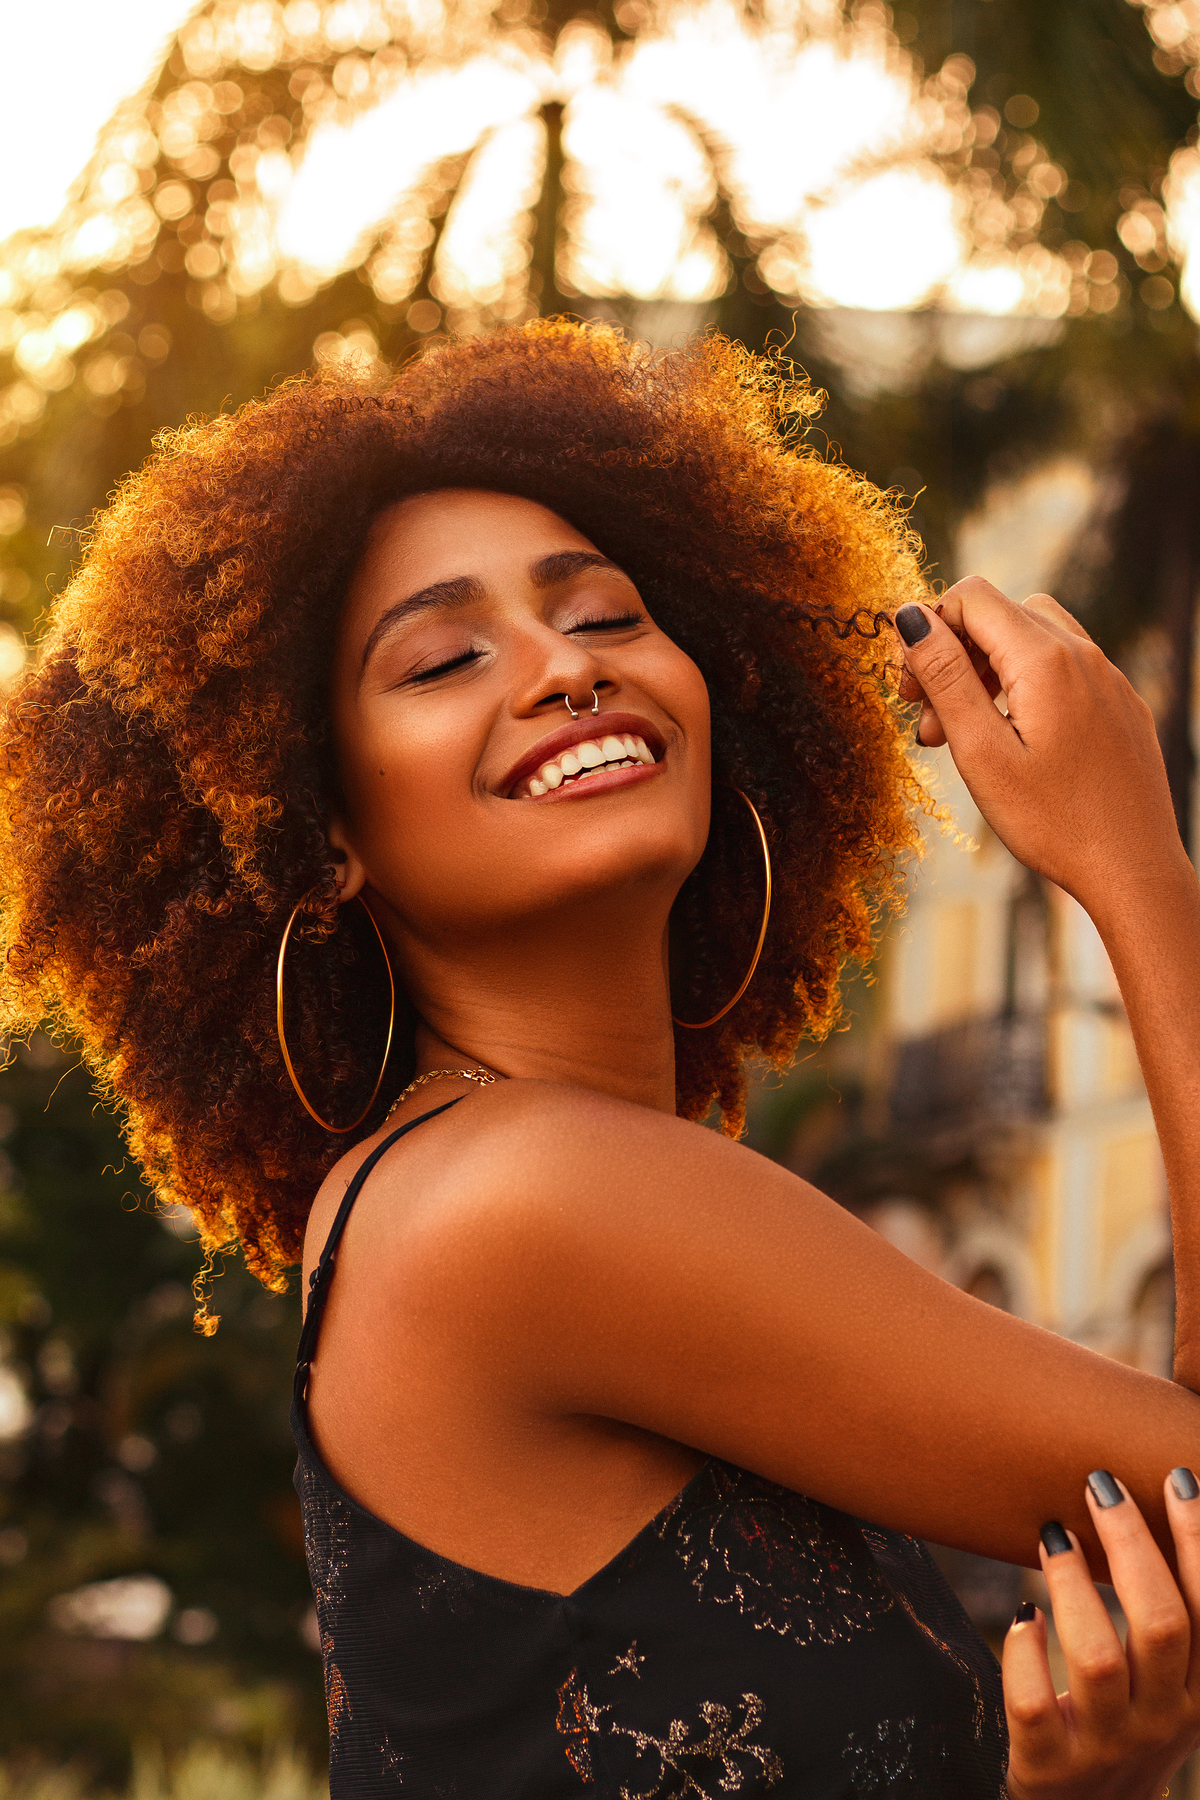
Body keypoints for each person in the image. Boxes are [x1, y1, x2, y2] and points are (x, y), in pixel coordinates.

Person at [3, 320, 1200, 1800]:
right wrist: (1135, 861)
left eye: (612, 616)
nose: (565, 665)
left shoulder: (535, 1186)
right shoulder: (515, 1199)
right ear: (322, 843)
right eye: (444, 657)